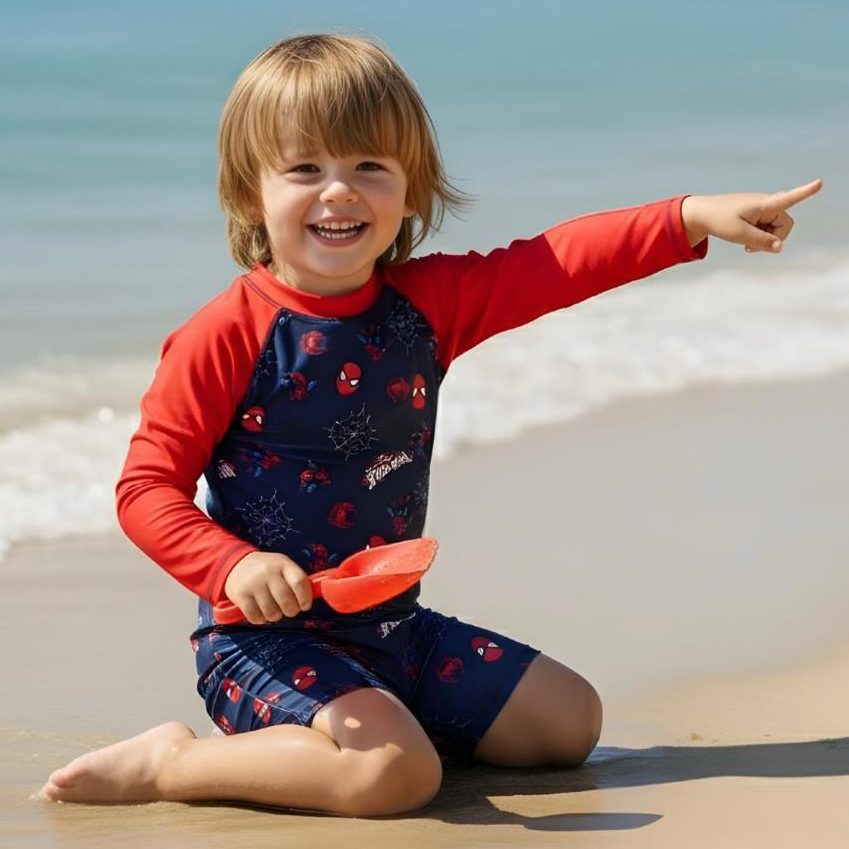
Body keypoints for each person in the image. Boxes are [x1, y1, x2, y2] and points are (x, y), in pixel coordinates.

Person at [39, 32, 821, 816]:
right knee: (396, 778)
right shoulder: (226, 334)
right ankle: (174, 761)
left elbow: (553, 263)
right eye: (305, 168)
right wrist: (228, 564)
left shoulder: (425, 306)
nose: (338, 191)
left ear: (410, 191)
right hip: (263, 646)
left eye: (368, 167)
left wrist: (689, 216)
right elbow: (146, 488)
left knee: (565, 722)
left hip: (394, 629)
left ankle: (371, 733)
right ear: (251, 193)